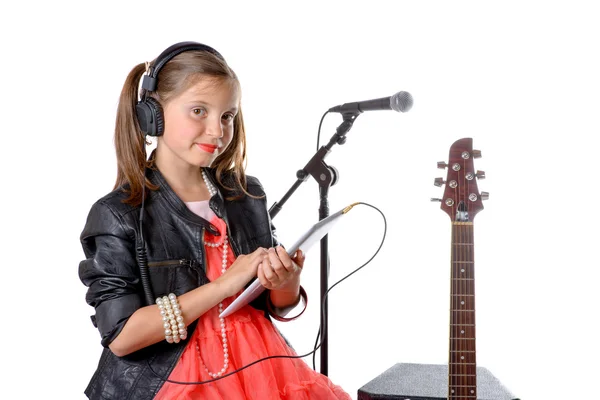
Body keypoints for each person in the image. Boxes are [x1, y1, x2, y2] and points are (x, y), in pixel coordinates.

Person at [78, 41, 352, 400]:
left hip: (261, 367)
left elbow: (276, 304)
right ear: (153, 115)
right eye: (198, 111)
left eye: (227, 116)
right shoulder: (118, 213)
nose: (217, 131)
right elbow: (121, 336)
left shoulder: (246, 196)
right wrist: (224, 285)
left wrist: (285, 279)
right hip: (173, 378)